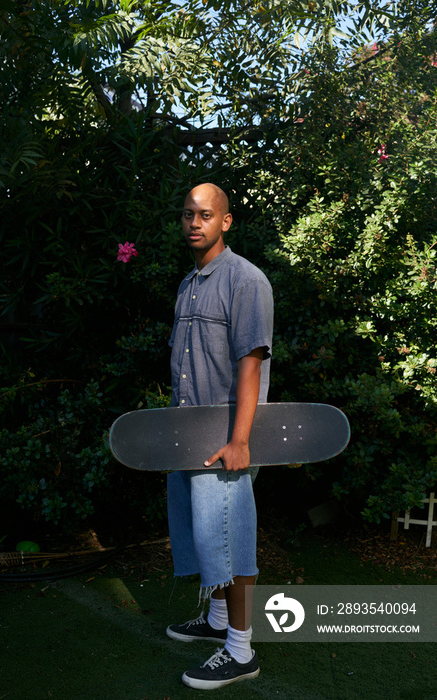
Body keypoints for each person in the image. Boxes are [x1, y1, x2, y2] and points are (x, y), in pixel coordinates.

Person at [166, 183, 273, 690]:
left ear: (225, 222)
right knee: (202, 538)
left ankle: (241, 649)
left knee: (232, 541)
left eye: (205, 215)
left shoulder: (245, 280)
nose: (194, 223)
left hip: (223, 441)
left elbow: (249, 364)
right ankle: (215, 624)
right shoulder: (190, 283)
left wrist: (241, 440)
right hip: (187, 437)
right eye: (188, 214)